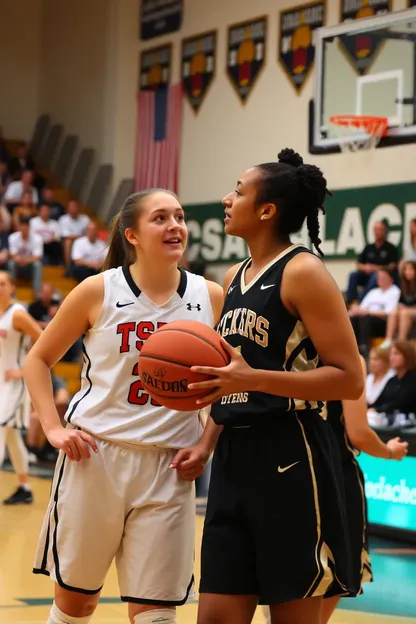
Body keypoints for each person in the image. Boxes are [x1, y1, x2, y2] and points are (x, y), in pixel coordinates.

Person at [23, 189, 224, 624]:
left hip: (169, 466)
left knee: (156, 613)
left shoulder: (210, 296)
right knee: (78, 604)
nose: (175, 225)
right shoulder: (98, 290)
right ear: (131, 234)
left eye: (180, 216)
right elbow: (36, 360)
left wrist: (207, 443)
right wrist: (54, 429)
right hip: (96, 457)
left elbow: (228, 385)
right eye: (161, 218)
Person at [187, 149, 364, 624]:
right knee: (215, 617)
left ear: (266, 211)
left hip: (294, 452)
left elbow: (350, 377)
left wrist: (253, 378)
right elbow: (231, 383)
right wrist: (206, 444)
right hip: (232, 461)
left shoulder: (304, 272)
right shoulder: (233, 277)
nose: (227, 199)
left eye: (238, 192)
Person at [321, 356, 408, 623]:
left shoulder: (279, 344)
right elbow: (357, 432)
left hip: (283, 468)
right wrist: (389, 452)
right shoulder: (344, 356)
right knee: (334, 572)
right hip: (332, 474)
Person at [0, 271, 42, 504]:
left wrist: (24, 368)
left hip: (14, 386)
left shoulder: (17, 314)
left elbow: (43, 338)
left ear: (12, 287)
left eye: (3, 283)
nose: (0, 287)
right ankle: (25, 488)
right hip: (0, 384)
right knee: (13, 438)